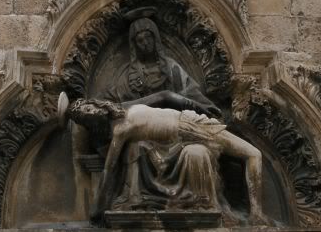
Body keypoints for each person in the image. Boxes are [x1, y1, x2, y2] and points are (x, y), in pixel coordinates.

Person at [61, 93, 265, 225]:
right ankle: (256, 214)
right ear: (89, 124)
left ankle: (256, 213)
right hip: (185, 134)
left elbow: (165, 95)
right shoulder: (119, 131)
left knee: (253, 153)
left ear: (96, 103)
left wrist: (199, 106)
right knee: (252, 154)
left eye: (88, 107)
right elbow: (109, 170)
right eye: (84, 116)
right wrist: (97, 210)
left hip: (191, 122)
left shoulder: (124, 109)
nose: (90, 112)